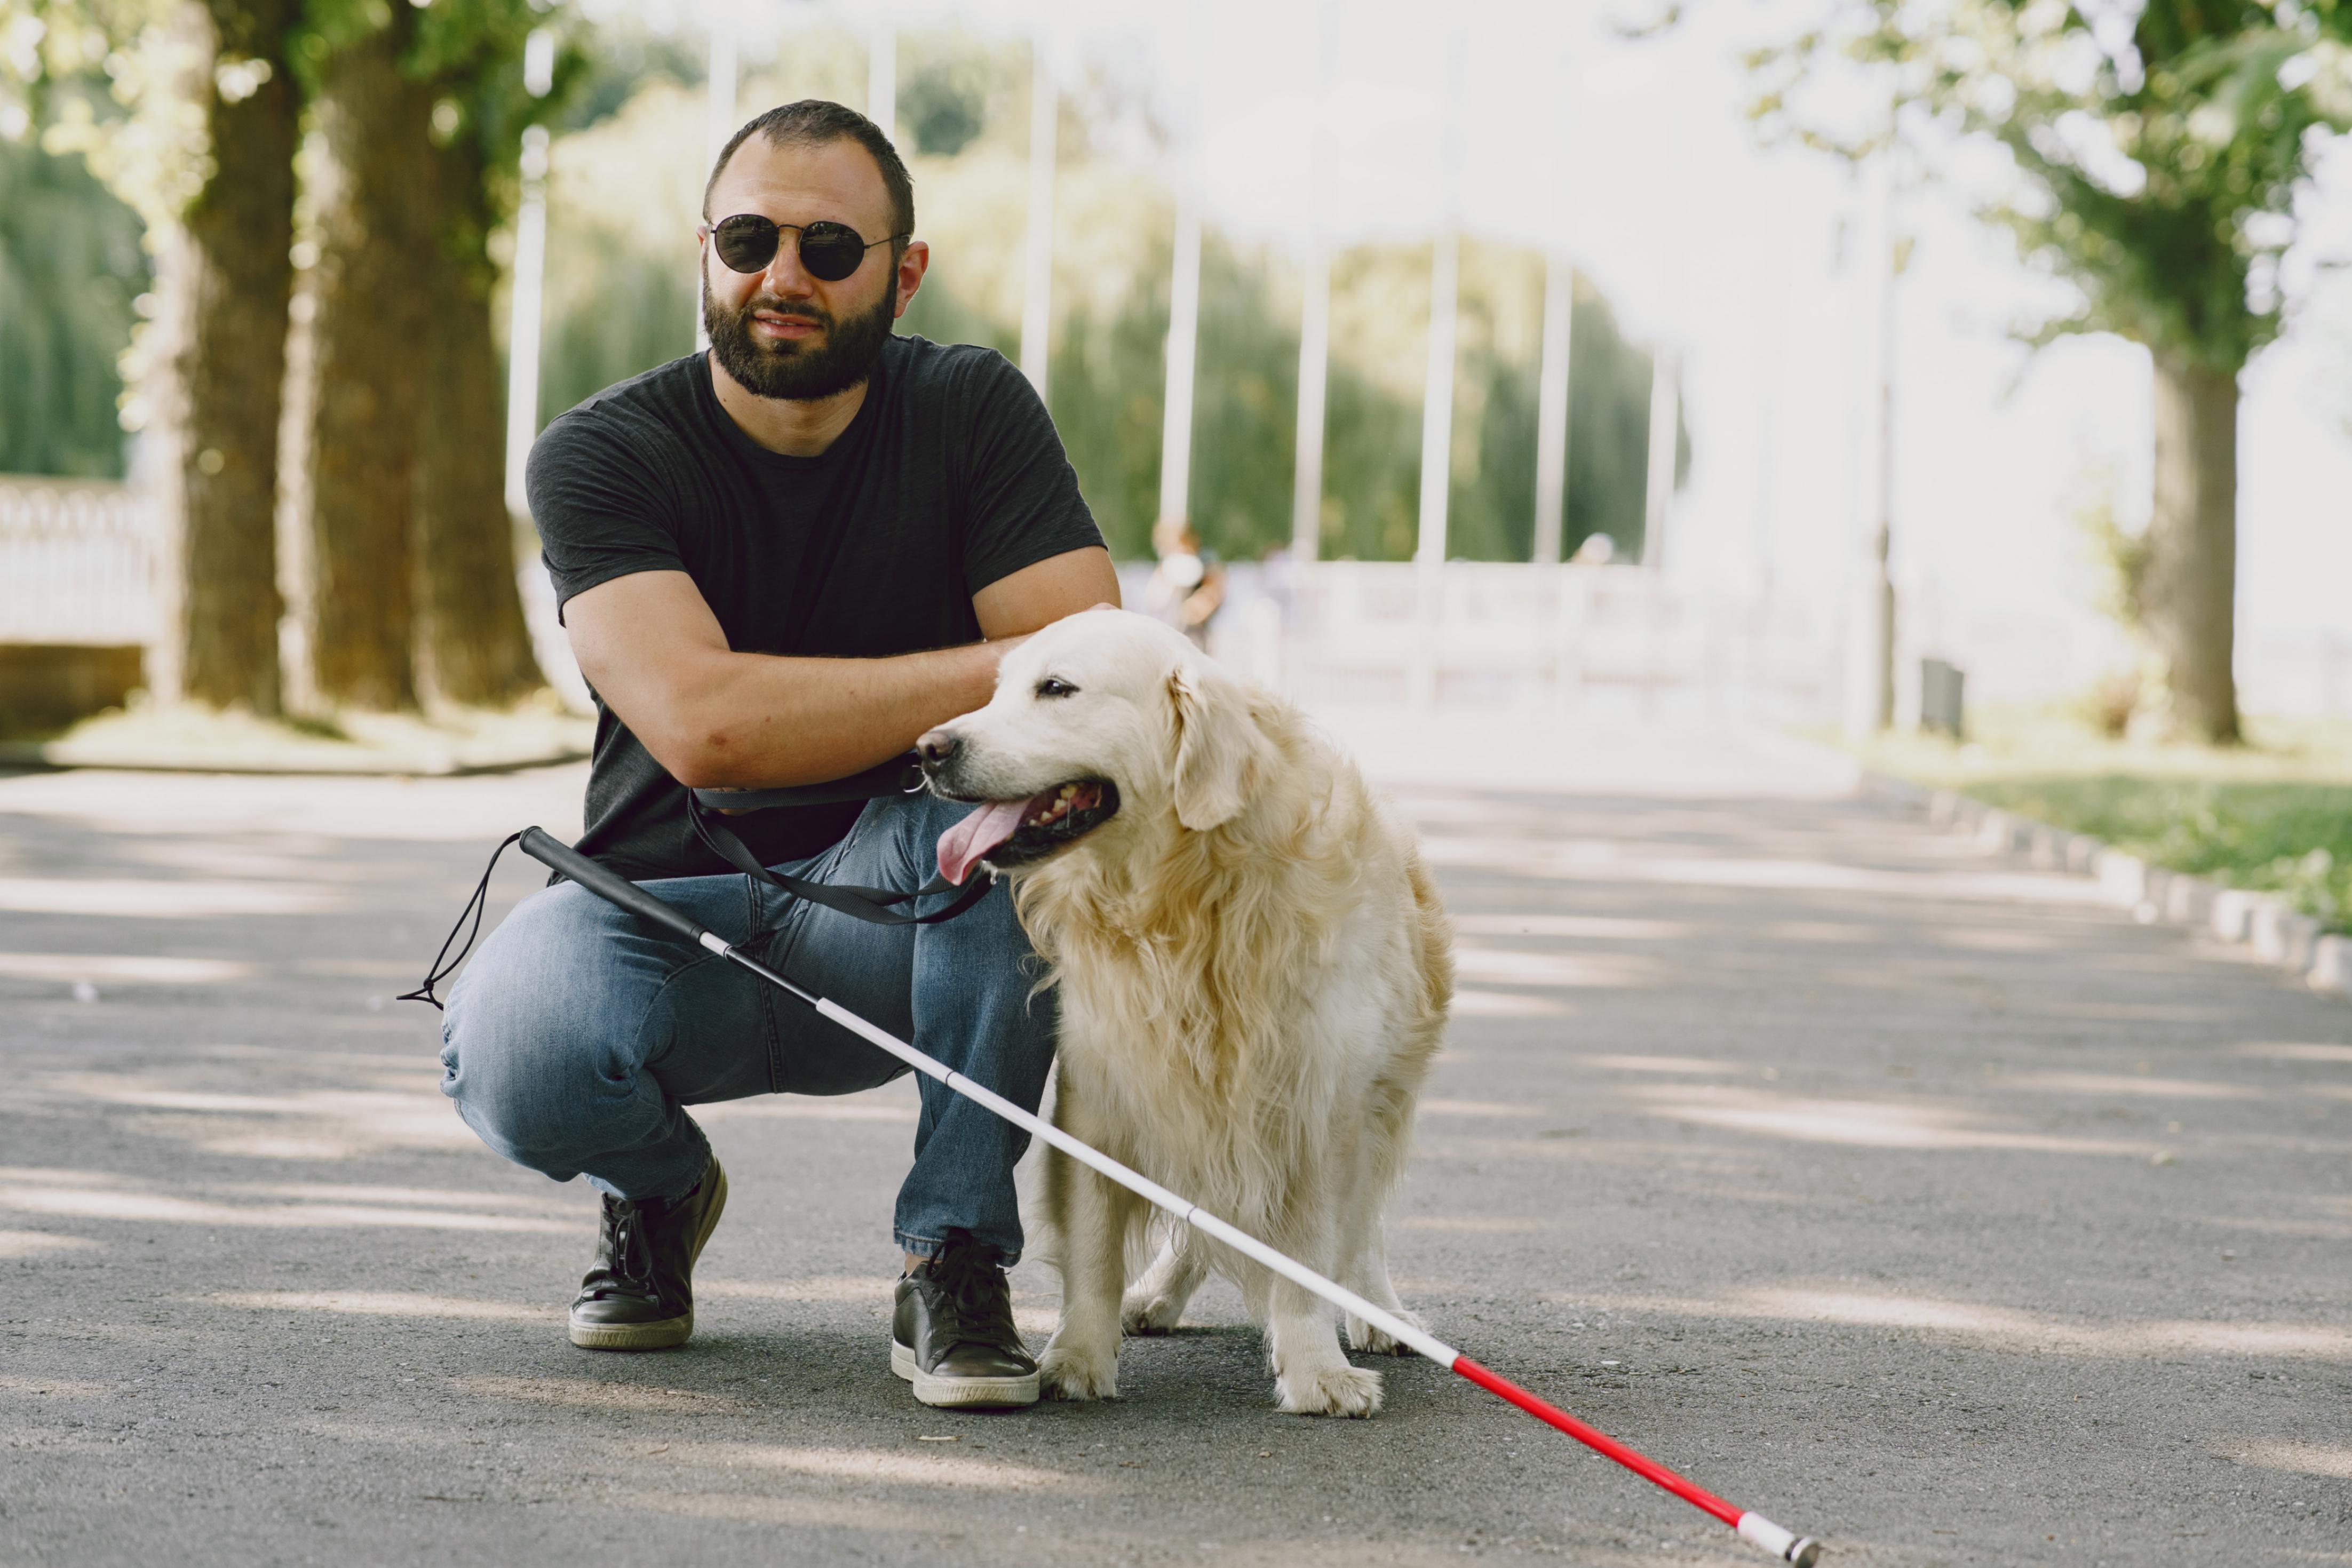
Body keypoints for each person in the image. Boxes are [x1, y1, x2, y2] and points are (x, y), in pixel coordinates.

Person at [435, 100, 1118, 1412]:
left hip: (911, 912)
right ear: (703, 251)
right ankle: (658, 1190)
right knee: (513, 1049)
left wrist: (977, 698)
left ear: (902, 272)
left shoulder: (970, 408)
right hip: (659, 904)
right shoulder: (599, 451)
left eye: (827, 248)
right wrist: (991, 677)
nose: (780, 277)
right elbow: (705, 731)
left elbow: (1087, 665)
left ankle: (955, 1252)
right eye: (746, 239)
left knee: (1025, 836)